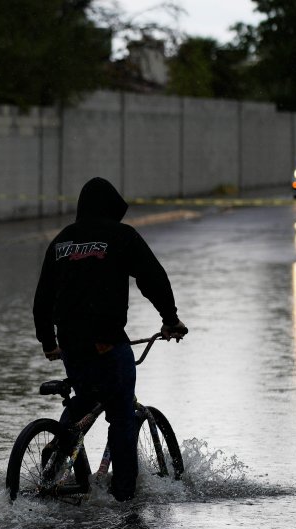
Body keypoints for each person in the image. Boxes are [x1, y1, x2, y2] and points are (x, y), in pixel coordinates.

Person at [32, 177, 187, 502]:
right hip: (106, 341)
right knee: (121, 414)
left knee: (84, 399)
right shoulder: (121, 236)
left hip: (71, 344)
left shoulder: (61, 241)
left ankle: (53, 466)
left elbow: (42, 299)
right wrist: (170, 320)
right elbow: (152, 277)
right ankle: (125, 496)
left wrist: (49, 343)